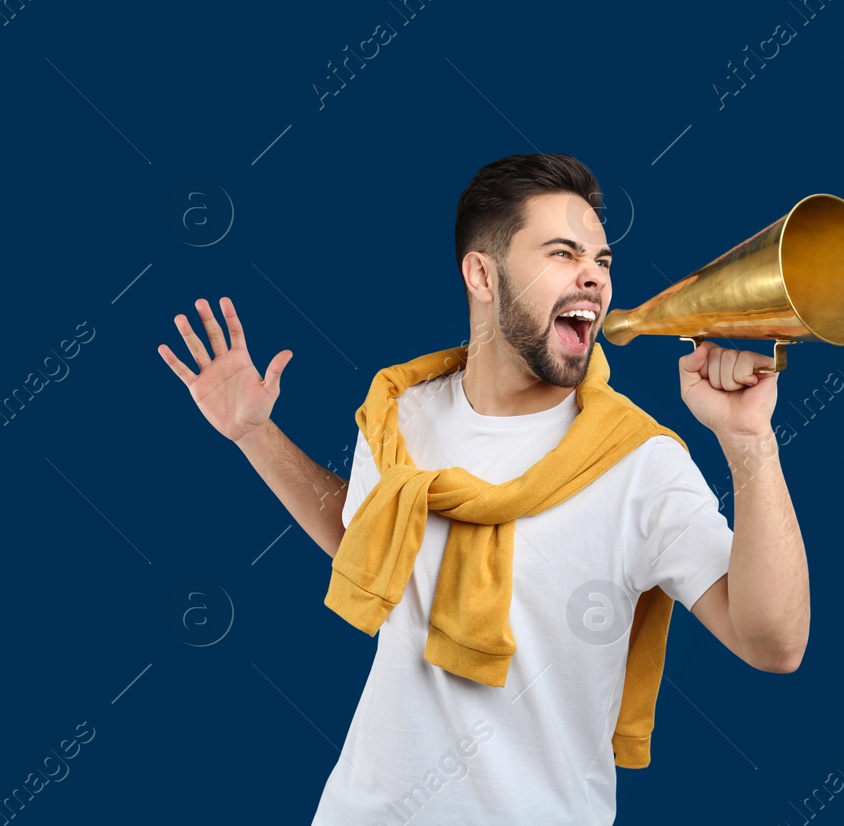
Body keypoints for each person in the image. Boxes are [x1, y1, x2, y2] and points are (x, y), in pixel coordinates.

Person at [156, 153, 810, 824]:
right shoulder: (400, 414)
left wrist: (748, 440)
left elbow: (773, 643)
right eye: (563, 253)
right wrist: (255, 434)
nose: (594, 275)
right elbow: (368, 541)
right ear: (481, 275)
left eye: (603, 261)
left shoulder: (639, 464)